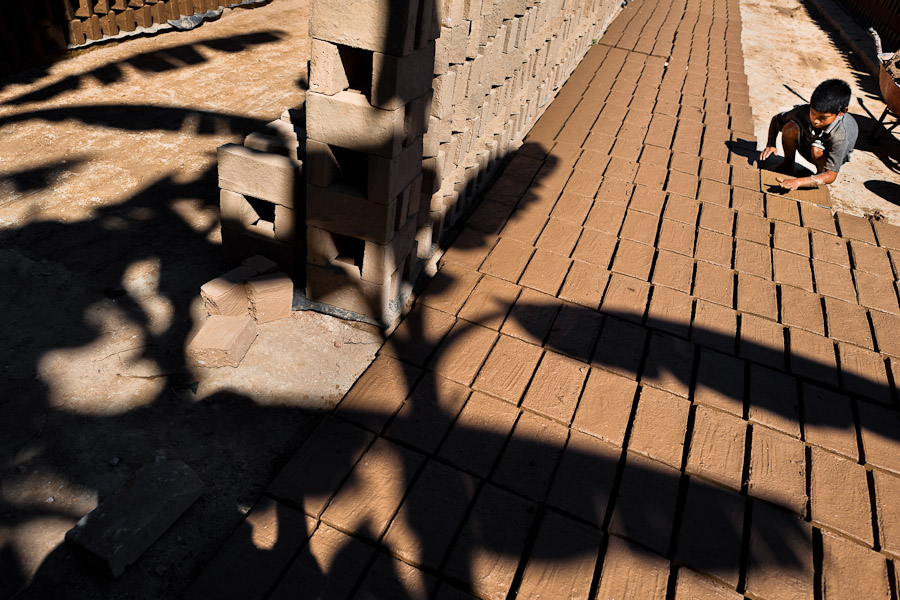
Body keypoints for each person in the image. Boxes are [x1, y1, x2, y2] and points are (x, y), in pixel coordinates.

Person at [758, 79, 858, 190]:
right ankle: (787, 164)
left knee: (817, 150)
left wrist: (799, 182)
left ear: (842, 112)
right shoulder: (803, 111)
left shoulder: (841, 134)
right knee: (790, 128)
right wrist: (771, 144)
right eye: (813, 113)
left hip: (826, 156)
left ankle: (818, 176)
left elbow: (831, 175)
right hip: (808, 143)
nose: (815, 121)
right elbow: (776, 120)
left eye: (823, 118)